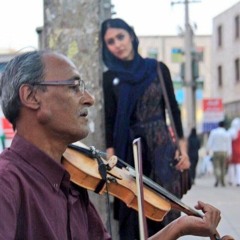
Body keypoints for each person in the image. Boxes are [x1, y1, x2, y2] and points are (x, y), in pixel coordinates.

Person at [0, 50, 231, 240]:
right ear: (31, 96)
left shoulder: (69, 184)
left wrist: (180, 227)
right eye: (74, 86)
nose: (89, 98)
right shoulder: (6, 183)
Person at [101, 18, 190, 239]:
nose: (117, 44)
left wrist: (183, 149)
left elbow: (174, 111)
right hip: (127, 152)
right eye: (110, 41)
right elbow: (110, 120)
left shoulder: (157, 69)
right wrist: (111, 160)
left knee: (163, 212)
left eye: (120, 36)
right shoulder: (110, 77)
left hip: (162, 151)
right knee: (132, 216)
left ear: (131, 35)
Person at [206, 120, 232, 187]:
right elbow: (229, 144)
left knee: (216, 166)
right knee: (223, 167)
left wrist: (208, 150)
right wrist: (230, 153)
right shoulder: (227, 133)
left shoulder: (214, 132)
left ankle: (218, 178)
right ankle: (222, 181)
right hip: (224, 152)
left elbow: (210, 141)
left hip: (216, 151)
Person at [227, 118, 240, 186]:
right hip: (239, 152)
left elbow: (228, 143)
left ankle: (231, 180)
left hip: (232, 151)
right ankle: (238, 181)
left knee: (231, 167)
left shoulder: (230, 131)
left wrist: (229, 152)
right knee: (238, 167)